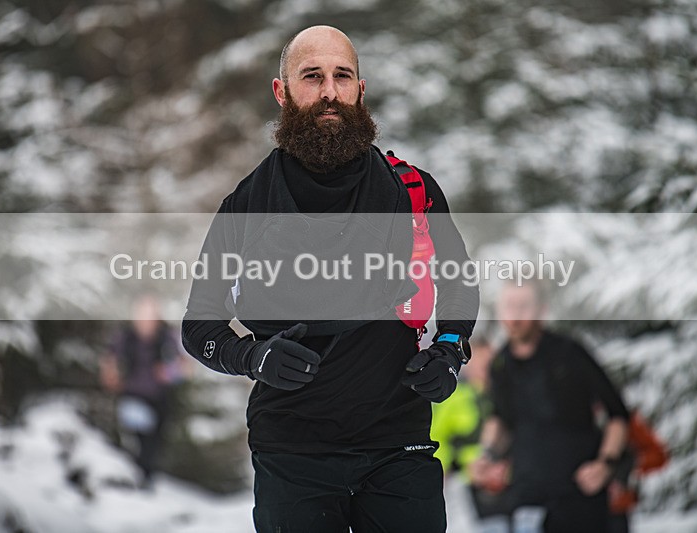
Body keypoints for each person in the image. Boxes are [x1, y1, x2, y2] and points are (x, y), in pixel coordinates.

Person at [181, 25, 479, 532]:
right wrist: (254, 356)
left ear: (360, 89)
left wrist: (450, 349)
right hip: (291, 451)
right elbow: (199, 327)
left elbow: (459, 284)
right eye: (312, 76)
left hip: (397, 445)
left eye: (342, 76)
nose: (329, 92)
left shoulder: (413, 193)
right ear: (282, 92)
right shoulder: (245, 208)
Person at [472, 280, 629, 533]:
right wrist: (487, 456)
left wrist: (605, 465)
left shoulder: (570, 353)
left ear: (541, 310)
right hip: (527, 495)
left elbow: (617, 414)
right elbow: (499, 419)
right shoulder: (500, 364)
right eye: (509, 306)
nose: (515, 315)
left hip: (580, 496)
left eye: (523, 306)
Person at [100, 295, 184, 489]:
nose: (145, 321)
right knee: (137, 439)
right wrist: (112, 375)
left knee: (154, 444)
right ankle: (134, 478)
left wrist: (168, 373)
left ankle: (145, 481)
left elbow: (184, 367)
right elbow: (108, 362)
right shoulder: (124, 337)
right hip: (132, 397)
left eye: (150, 316)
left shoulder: (168, 336)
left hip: (159, 399)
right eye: (141, 315)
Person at [431, 336, 512, 526]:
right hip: (464, 481)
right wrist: (441, 471)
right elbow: (437, 435)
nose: (485, 368)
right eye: (481, 362)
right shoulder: (454, 396)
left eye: (489, 361)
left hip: (503, 480)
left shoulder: (503, 394)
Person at [608, 409, 669, 533]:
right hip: (572, 507)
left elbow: (658, 456)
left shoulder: (622, 419)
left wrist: (629, 464)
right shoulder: (564, 419)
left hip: (615, 508)